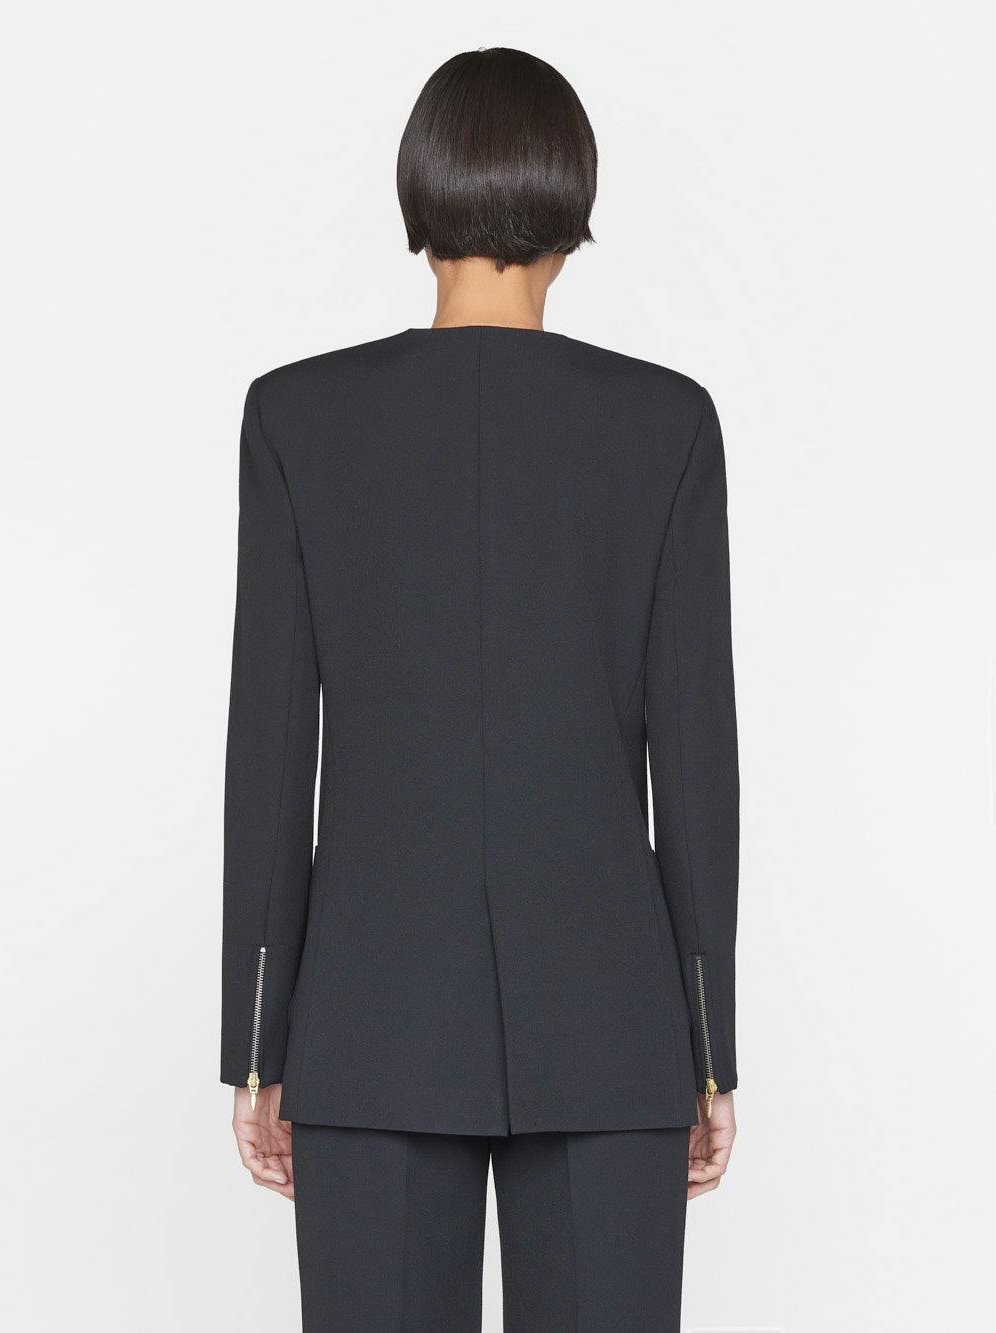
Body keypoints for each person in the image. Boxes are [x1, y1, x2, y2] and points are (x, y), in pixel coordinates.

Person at [222, 46, 739, 1332]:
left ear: (421, 194)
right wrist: (706, 1048)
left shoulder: (298, 417)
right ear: (571, 205)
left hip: (369, 1020)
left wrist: (260, 1040)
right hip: (612, 1024)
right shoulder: (666, 424)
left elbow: (272, 753)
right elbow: (695, 761)